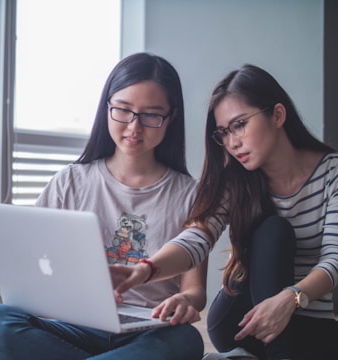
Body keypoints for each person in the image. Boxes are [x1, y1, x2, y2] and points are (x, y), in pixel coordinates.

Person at [0, 52, 208, 360]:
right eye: (123, 111)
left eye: (151, 115)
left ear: (171, 117)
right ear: (106, 107)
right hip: (77, 326)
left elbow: (195, 290)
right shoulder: (69, 182)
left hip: (149, 329)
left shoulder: (191, 195)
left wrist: (185, 301)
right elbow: (32, 267)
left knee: (186, 340)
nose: (134, 128)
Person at [111, 64, 338, 359]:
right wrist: (146, 269)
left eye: (240, 124)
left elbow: (335, 257)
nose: (232, 143)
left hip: (306, 318)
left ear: (278, 115)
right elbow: (197, 237)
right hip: (242, 320)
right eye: (223, 133)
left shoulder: (332, 172)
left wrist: (291, 298)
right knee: (273, 229)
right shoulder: (236, 179)